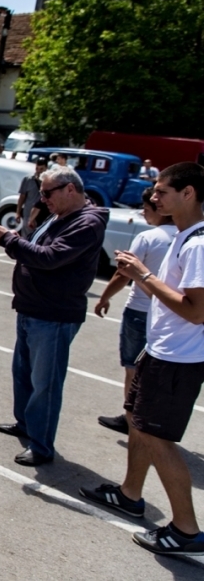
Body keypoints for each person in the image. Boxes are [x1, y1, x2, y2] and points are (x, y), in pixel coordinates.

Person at [80, 162, 204, 556]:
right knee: (137, 421)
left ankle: (186, 530)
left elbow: (197, 310)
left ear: (188, 193)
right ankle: (130, 494)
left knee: (158, 439)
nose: (154, 196)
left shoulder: (198, 244)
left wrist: (142, 275)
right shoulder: (186, 236)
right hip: (163, 351)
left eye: (163, 190)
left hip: (178, 359)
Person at [0, 165, 108, 466]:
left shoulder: (86, 223)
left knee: (46, 384)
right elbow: (39, 249)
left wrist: (8, 240)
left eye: (47, 193)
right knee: (23, 373)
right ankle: (27, 425)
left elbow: (50, 258)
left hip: (54, 314)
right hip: (33, 307)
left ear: (70, 189)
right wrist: (17, 239)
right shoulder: (61, 215)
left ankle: (41, 446)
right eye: (40, 193)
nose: (41, 200)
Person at [93, 187, 177, 434]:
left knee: (133, 367)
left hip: (140, 311)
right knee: (159, 370)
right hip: (170, 314)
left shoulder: (149, 237)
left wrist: (103, 298)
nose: (144, 213)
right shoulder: (188, 238)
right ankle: (154, 417)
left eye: (148, 208)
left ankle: (131, 418)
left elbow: (122, 274)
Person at [15, 157, 49, 239]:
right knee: (26, 237)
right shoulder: (28, 179)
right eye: (37, 168)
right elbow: (22, 197)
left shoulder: (49, 181)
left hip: (44, 214)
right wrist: (18, 212)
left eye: (42, 169)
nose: (39, 171)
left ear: (46, 168)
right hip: (29, 212)